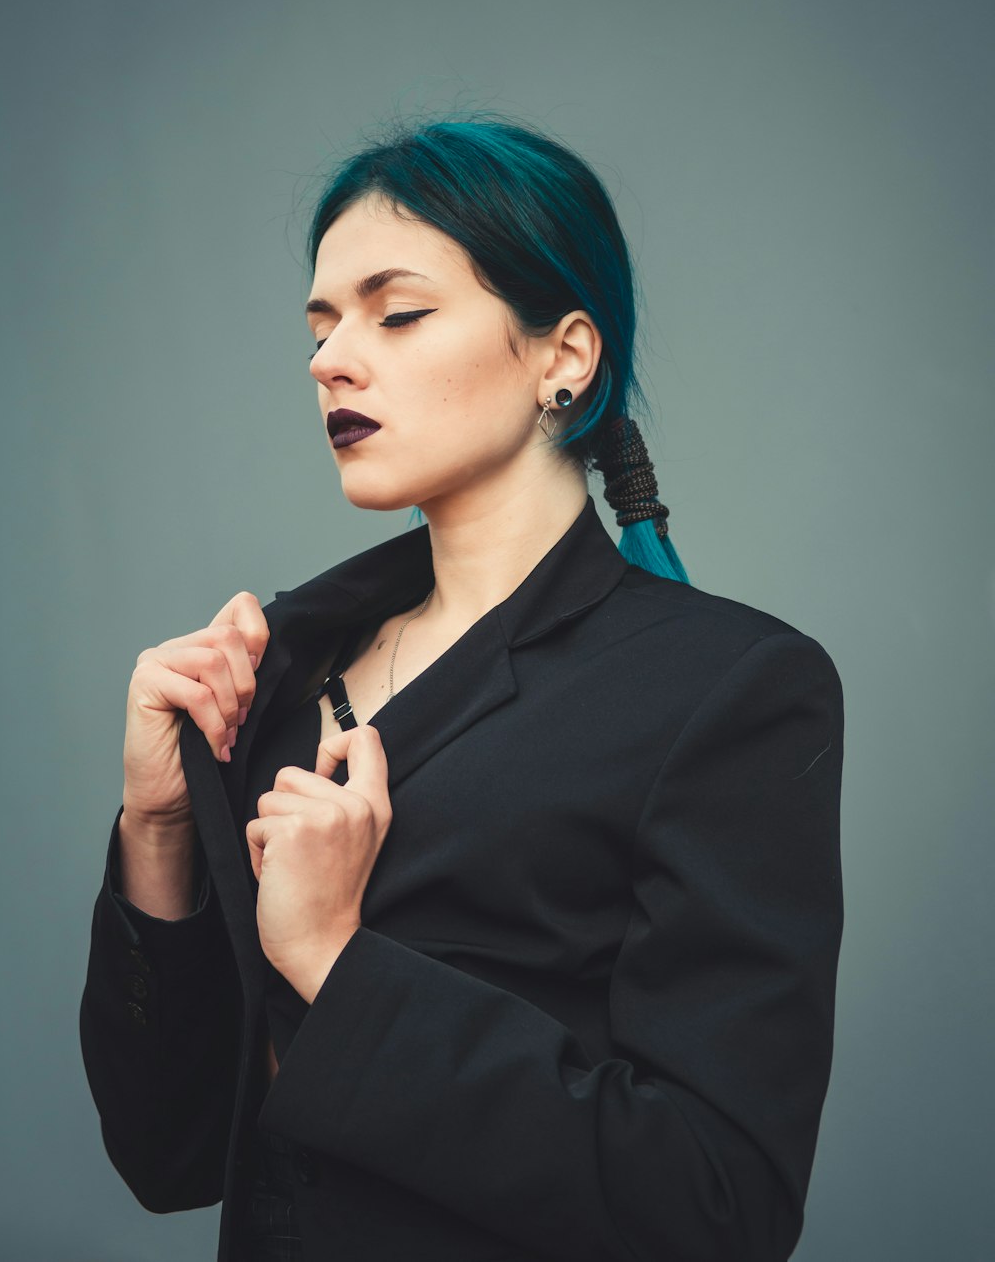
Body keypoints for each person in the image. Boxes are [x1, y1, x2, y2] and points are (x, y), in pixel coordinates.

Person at [80, 114, 845, 1262]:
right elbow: (168, 1150)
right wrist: (160, 826)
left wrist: (337, 962)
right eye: (322, 323)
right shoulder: (276, 680)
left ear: (563, 356)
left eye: (396, 313)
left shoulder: (727, 689)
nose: (330, 358)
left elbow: (715, 1208)